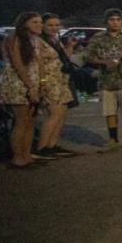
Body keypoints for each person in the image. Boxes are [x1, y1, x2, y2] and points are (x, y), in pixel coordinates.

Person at [84, 8, 122, 154]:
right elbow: (88, 56)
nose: (115, 23)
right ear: (106, 21)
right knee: (109, 111)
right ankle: (113, 140)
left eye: (118, 20)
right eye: (112, 20)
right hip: (108, 80)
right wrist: (103, 62)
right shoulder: (98, 37)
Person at [1, 12, 44, 169]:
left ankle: (27, 155)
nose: (39, 25)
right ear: (24, 23)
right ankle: (17, 157)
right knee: (21, 120)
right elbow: (19, 65)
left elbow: (39, 64)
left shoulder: (37, 40)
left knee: (31, 121)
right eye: (35, 22)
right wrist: (31, 87)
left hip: (33, 82)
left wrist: (42, 82)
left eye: (40, 22)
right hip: (18, 83)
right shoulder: (13, 39)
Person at [37, 13, 79, 159]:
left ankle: (52, 145)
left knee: (62, 112)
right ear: (42, 25)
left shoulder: (55, 40)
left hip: (61, 79)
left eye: (57, 25)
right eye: (50, 25)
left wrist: (69, 47)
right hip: (48, 80)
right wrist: (41, 82)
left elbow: (64, 59)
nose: (54, 28)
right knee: (54, 113)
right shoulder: (38, 41)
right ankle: (41, 148)